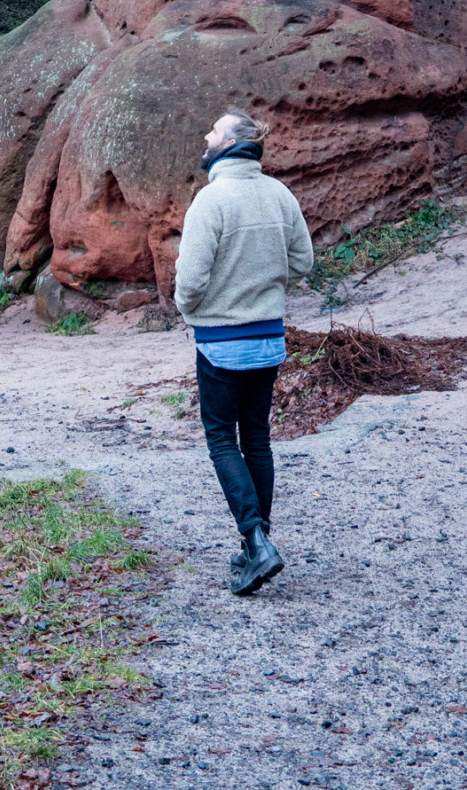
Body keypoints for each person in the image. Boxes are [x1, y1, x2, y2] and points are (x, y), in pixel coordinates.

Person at [173, 107, 314, 594]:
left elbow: (189, 281)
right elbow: (304, 262)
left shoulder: (210, 202)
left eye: (212, 130)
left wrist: (189, 309)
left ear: (230, 143)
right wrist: (266, 287)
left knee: (220, 438)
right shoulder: (279, 194)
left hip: (220, 343)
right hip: (269, 339)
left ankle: (255, 540)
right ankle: (261, 543)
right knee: (257, 438)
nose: (205, 134)